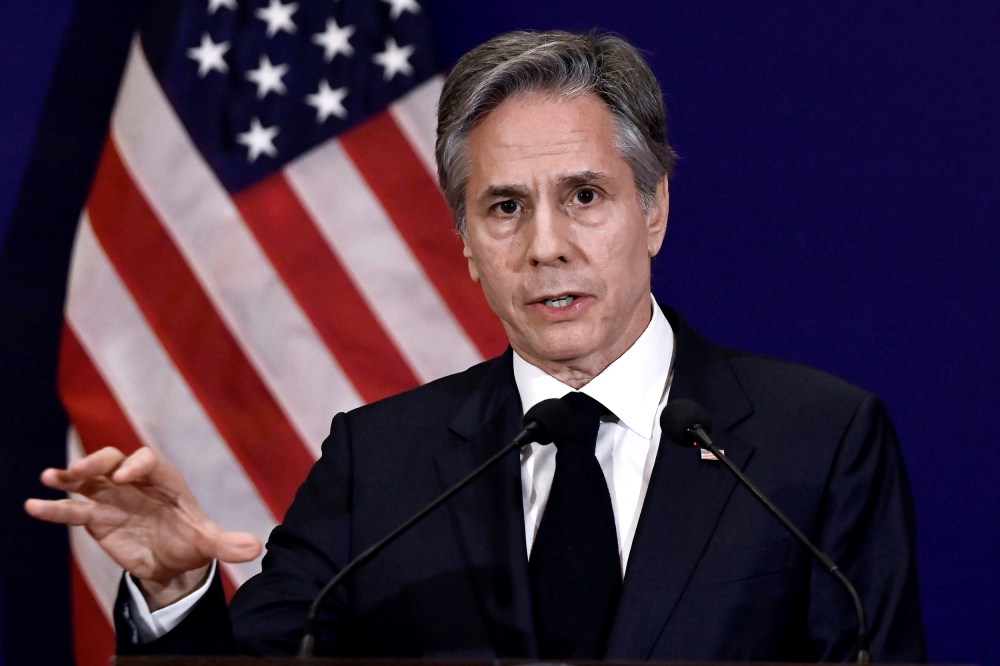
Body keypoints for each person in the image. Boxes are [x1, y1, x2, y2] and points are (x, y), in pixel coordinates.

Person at [25, 29, 926, 661]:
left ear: (653, 210)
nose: (545, 245)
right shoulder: (379, 463)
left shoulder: (817, 443)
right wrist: (178, 594)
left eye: (584, 196)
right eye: (505, 207)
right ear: (463, 242)